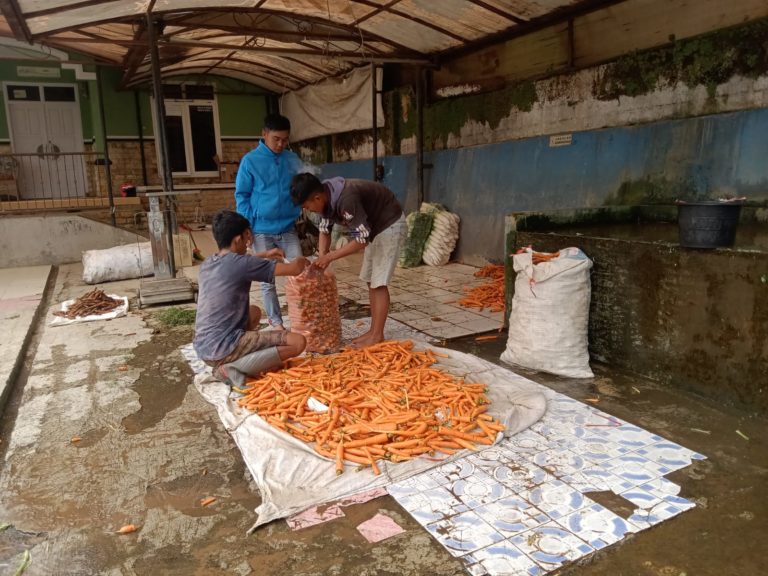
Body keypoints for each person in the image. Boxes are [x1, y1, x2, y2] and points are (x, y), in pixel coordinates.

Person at [194, 210, 309, 386]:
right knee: (298, 342)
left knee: (254, 312)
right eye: (247, 236)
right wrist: (301, 259)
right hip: (223, 348)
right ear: (238, 239)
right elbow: (293, 269)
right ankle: (230, 368)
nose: (249, 242)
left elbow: (240, 263)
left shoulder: (209, 262)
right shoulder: (243, 264)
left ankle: (236, 356)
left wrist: (264, 255)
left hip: (204, 346)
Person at [290, 173, 406, 348]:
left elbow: (361, 239)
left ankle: (377, 334)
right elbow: (324, 230)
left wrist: (330, 256)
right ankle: (374, 330)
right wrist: (322, 256)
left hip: (389, 224)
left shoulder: (346, 200)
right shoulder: (325, 197)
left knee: (379, 283)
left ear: (317, 197)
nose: (308, 210)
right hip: (374, 228)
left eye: (308, 207)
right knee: (370, 279)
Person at [235, 113, 303, 330]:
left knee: (300, 272)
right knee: (267, 281)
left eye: (285, 139)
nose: (281, 144)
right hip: (261, 230)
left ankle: (304, 319)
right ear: (264, 134)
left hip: (288, 228)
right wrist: (247, 227)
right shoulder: (250, 161)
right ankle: (276, 324)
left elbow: (302, 187)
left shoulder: (292, 159)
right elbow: (242, 196)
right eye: (276, 139)